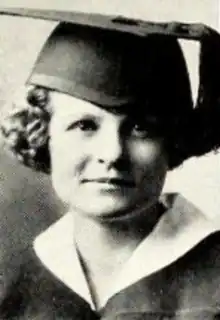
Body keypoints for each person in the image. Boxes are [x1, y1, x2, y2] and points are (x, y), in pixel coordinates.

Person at [0, 8, 220, 320]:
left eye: (140, 128)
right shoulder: (12, 282)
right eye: (85, 126)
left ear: (173, 141)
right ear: (41, 134)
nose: (113, 153)